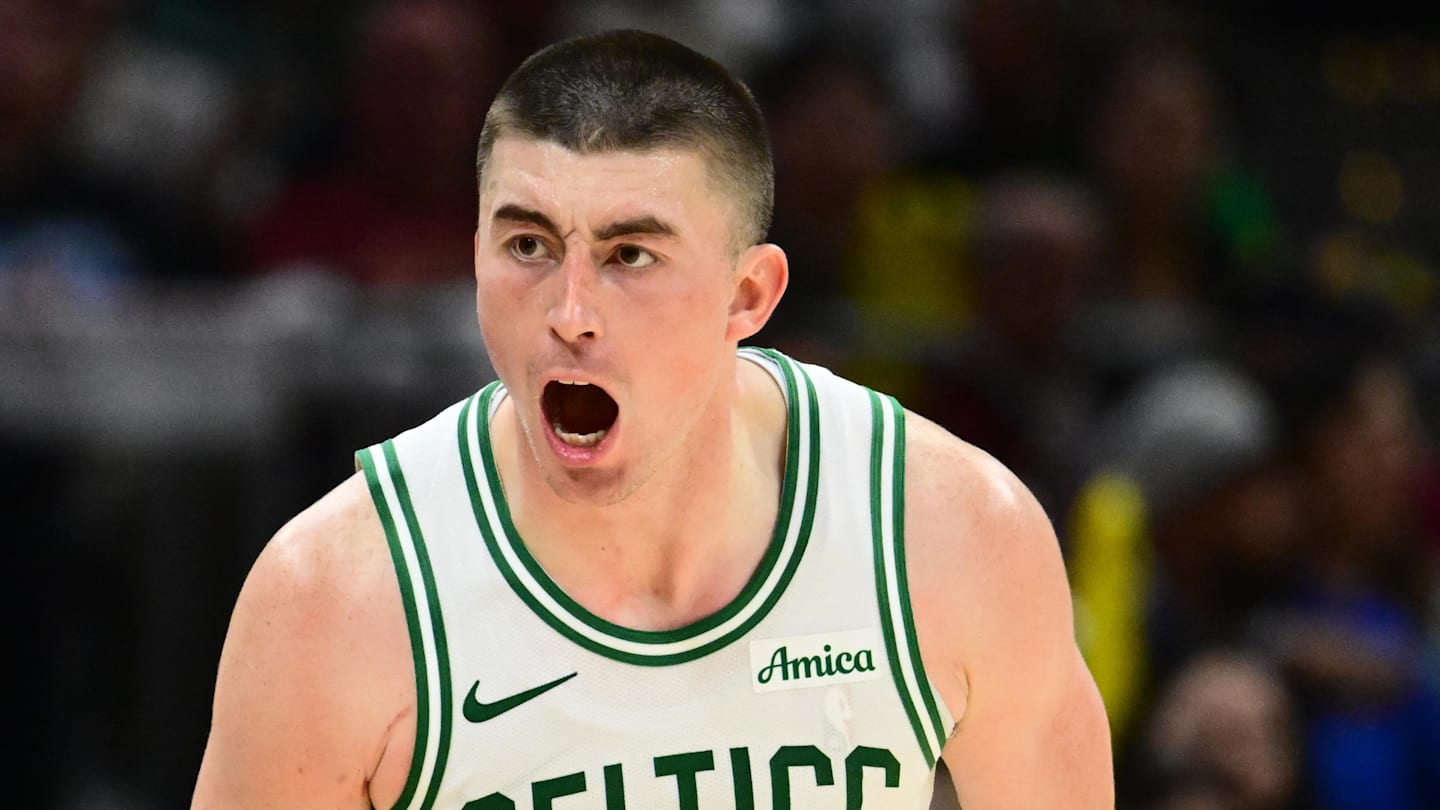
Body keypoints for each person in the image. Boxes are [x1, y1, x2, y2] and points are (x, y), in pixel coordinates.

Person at [193, 30, 1112, 809]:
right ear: (474, 258)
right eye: (528, 245)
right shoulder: (336, 600)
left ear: (748, 295)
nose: (570, 313)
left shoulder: (947, 531)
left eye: (630, 254)